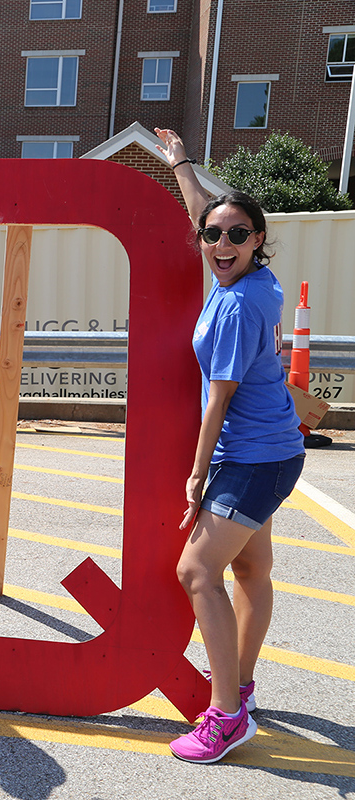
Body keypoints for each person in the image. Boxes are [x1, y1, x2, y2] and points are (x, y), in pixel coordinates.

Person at [156, 128, 305, 764]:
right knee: (250, 570)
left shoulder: (238, 307)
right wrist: (183, 164)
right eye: (212, 235)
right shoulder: (249, 280)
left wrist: (196, 476)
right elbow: (204, 215)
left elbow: (217, 402)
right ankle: (240, 688)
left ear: (258, 240)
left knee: (196, 570)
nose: (220, 243)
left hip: (252, 457)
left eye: (236, 234)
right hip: (275, 449)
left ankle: (225, 717)